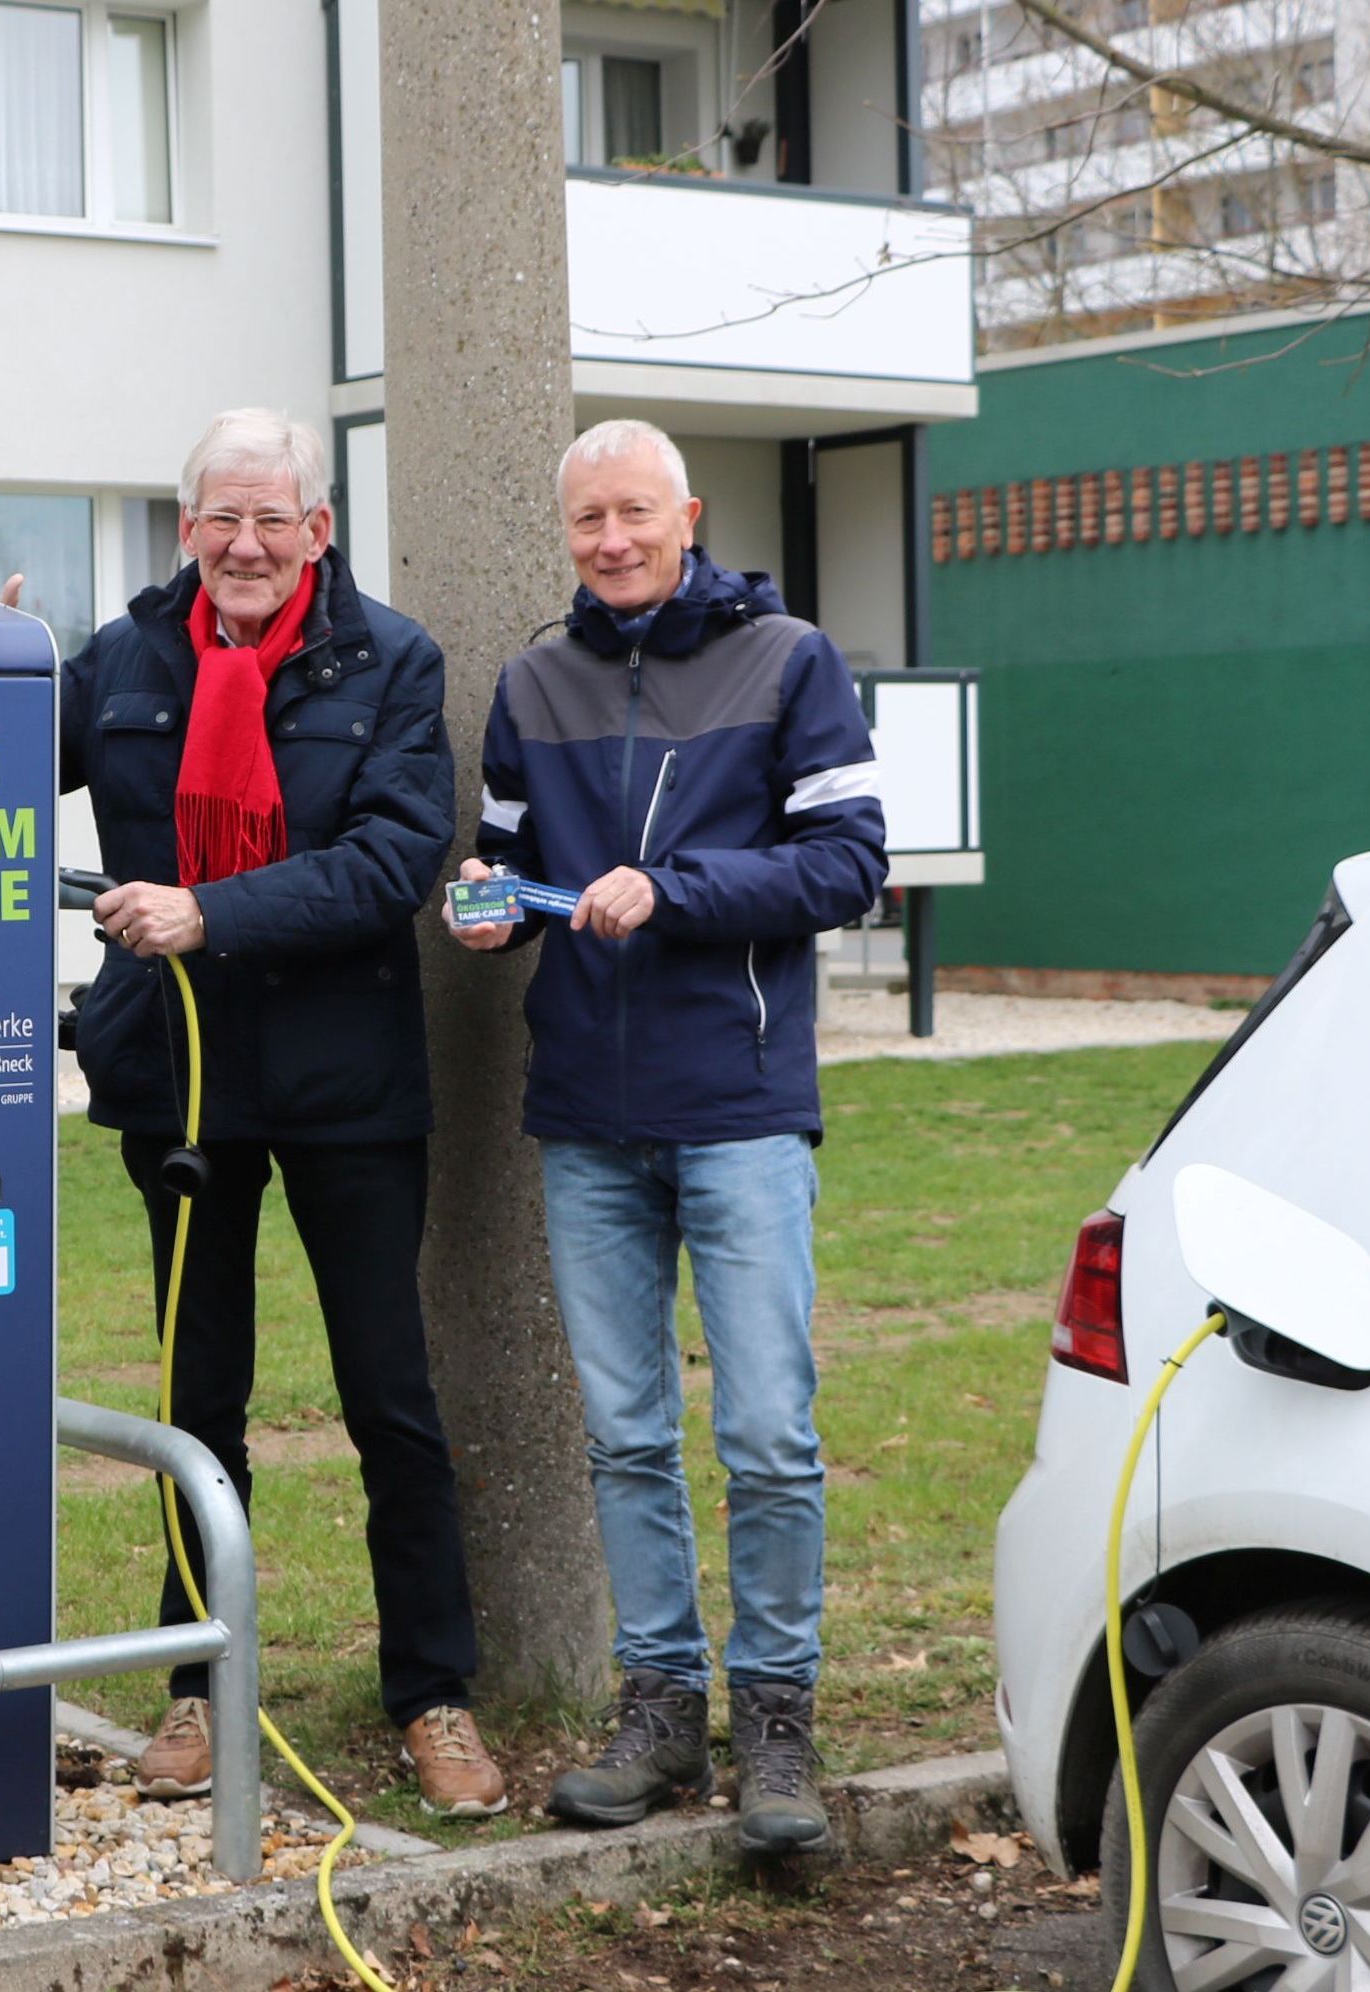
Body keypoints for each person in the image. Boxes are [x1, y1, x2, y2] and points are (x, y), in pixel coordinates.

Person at [0, 408, 508, 1817]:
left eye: (274, 520)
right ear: (187, 530)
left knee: (389, 1399)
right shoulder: (124, 656)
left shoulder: (392, 661)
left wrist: (212, 909)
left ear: (318, 529)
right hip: (176, 1083)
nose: (246, 546)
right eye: (220, 520)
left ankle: (434, 1694)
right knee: (202, 1398)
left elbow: (391, 859)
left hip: (348, 1087)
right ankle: (195, 1686)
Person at [452, 418, 885, 1853]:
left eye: (636, 514)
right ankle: (660, 1711)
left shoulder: (790, 662)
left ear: (686, 514)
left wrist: (676, 888)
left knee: (765, 1432)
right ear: (567, 530)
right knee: (626, 1434)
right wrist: (483, 899)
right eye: (589, 521)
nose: (613, 541)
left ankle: (776, 1721)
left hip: (740, 1108)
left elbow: (849, 862)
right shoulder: (536, 679)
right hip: (585, 1114)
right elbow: (509, 865)